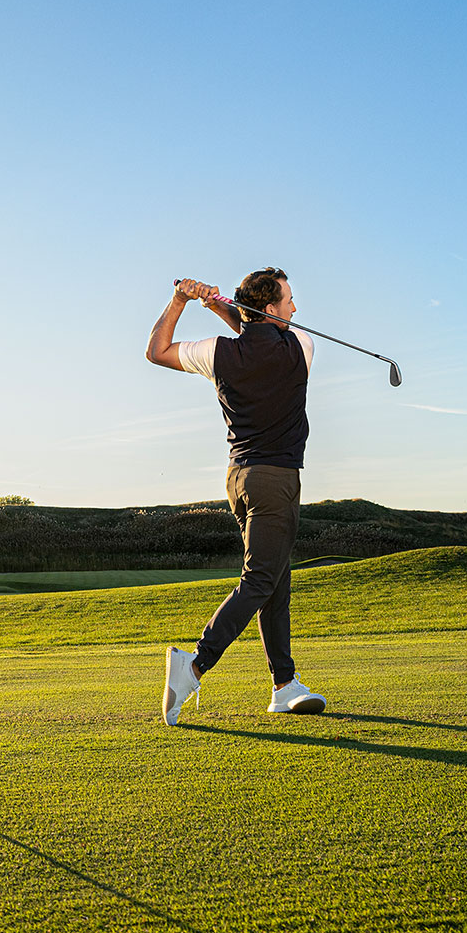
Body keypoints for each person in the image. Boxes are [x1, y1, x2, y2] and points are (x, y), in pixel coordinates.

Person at [145, 268, 327, 725]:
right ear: (270, 310)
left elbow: (157, 352)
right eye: (288, 301)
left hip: (239, 480)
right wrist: (218, 305)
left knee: (275, 581)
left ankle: (284, 685)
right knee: (261, 579)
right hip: (277, 480)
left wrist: (185, 302)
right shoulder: (301, 346)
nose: (294, 309)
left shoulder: (218, 353)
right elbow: (255, 328)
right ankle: (194, 665)